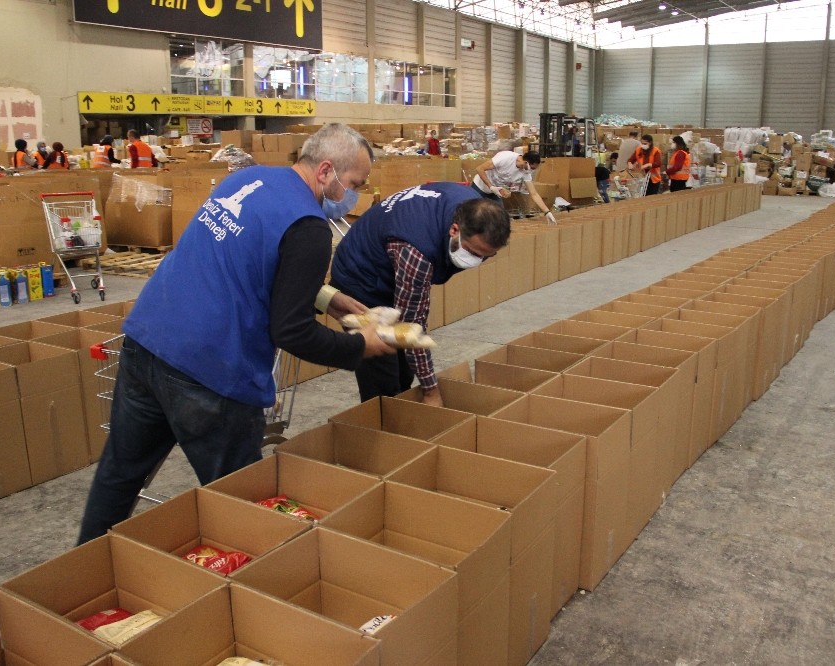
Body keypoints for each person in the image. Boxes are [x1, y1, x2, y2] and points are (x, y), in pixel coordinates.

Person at [76, 123, 395, 544]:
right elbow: (293, 332)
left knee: (120, 472)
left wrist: (325, 297)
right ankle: (251, 578)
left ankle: (85, 559)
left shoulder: (247, 179)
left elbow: (244, 256)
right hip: (212, 372)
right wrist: (360, 346)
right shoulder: (310, 227)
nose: (353, 196)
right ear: (325, 171)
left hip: (148, 340)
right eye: (354, 184)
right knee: (240, 500)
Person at [330, 182, 511, 406]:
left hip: (391, 264)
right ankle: (380, 417)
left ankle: (401, 408)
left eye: (486, 256)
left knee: (404, 371)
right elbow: (413, 324)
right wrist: (431, 391)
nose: (477, 260)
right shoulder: (417, 251)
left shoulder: (474, 206)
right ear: (454, 230)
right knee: (382, 377)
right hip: (360, 277)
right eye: (473, 252)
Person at [471, 150, 556, 224]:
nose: (531, 171)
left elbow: (534, 194)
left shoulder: (525, 172)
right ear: (526, 162)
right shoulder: (505, 158)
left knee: (500, 217)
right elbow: (479, 169)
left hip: (494, 192)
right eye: (532, 168)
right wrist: (491, 186)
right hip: (479, 187)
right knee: (474, 215)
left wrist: (547, 212)